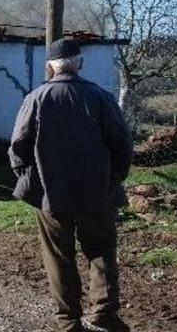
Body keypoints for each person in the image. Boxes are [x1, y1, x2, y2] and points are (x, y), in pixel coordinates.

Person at [9, 38, 133, 332]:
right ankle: (105, 314)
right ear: (80, 64)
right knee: (101, 250)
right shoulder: (101, 98)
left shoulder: (36, 98)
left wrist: (32, 180)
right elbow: (123, 146)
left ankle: (68, 321)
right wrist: (112, 179)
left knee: (59, 256)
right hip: (97, 192)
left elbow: (18, 147)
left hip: (51, 195)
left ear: (50, 67)